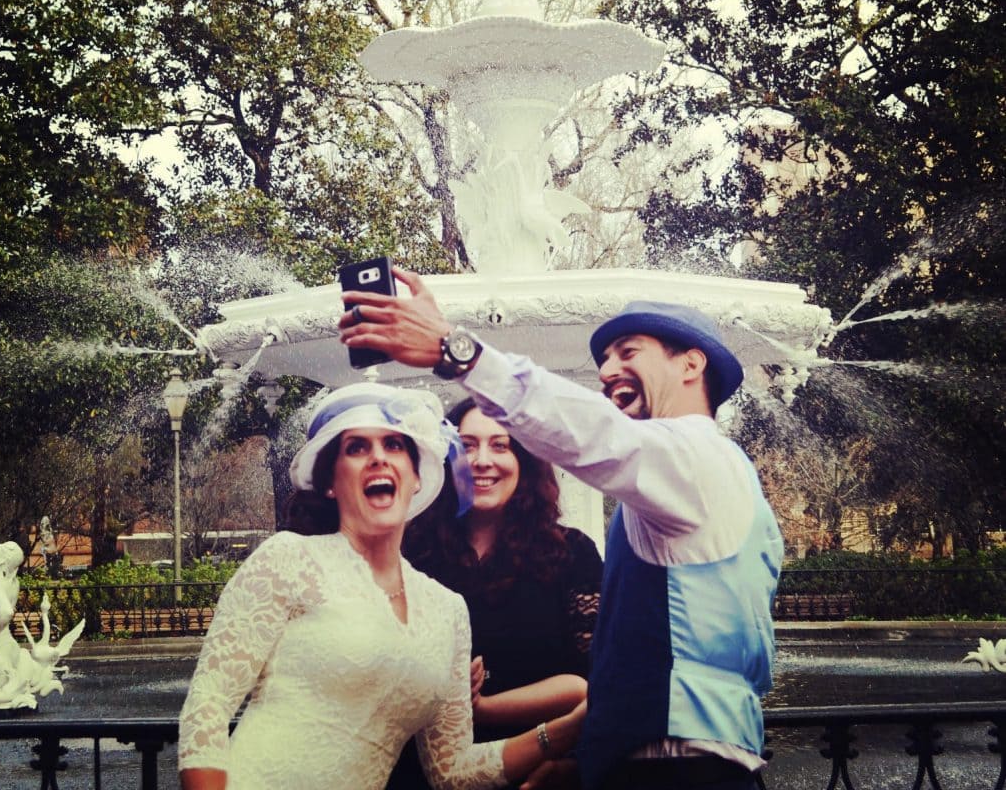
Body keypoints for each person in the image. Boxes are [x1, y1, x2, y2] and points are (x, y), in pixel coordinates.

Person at [340, 271, 783, 790]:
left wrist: (453, 349)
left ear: (691, 362)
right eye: (604, 360)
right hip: (678, 759)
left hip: (680, 769)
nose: (608, 370)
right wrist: (587, 760)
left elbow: (594, 434)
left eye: (628, 351)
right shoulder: (721, 480)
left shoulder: (693, 457)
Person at [177, 382, 585, 790]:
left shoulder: (447, 610)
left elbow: (453, 772)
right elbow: (206, 711)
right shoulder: (289, 559)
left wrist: (561, 733)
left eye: (393, 445)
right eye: (356, 448)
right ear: (331, 482)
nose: (377, 458)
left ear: (417, 475)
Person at [387, 400, 602, 790]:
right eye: (467, 446)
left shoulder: (572, 554)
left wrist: (482, 710)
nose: (481, 460)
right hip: (416, 774)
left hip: (536, 770)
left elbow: (594, 682)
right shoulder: (407, 551)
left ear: (526, 461)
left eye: (501, 446)